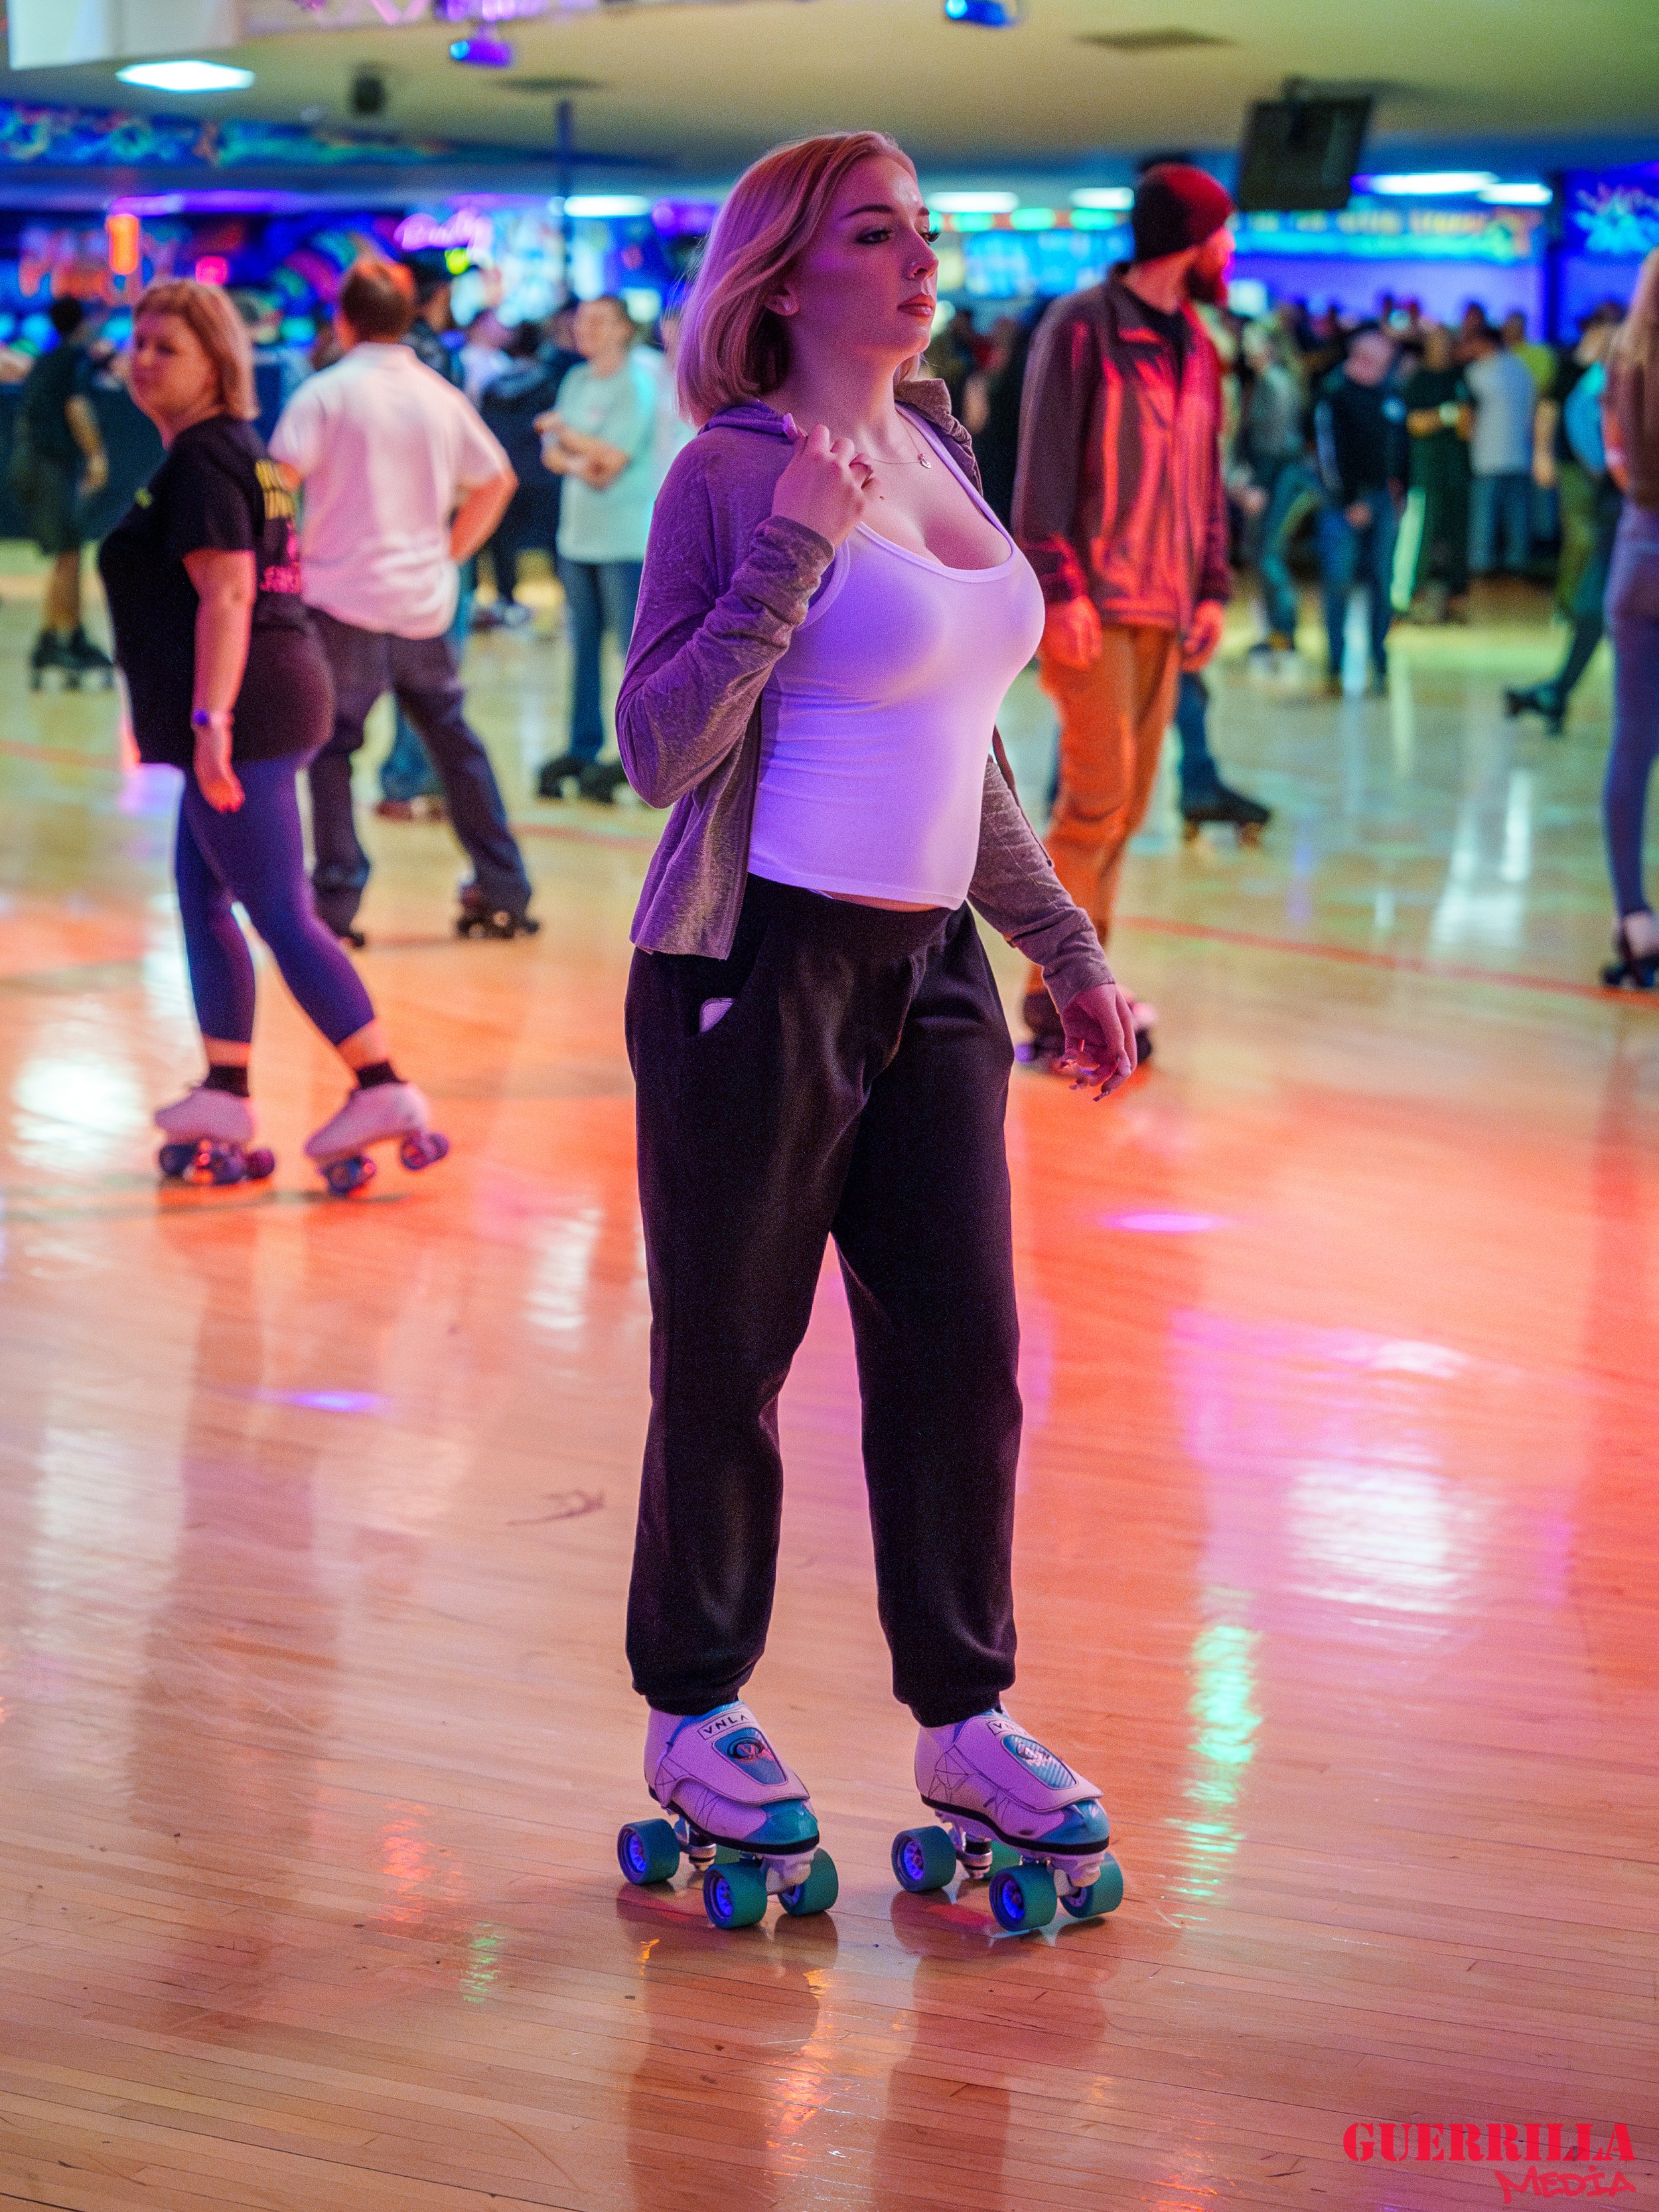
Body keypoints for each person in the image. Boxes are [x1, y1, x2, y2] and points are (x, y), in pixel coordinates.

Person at [614, 131, 1134, 1923]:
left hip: (932, 982)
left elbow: (967, 754)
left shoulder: (946, 450)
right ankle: (695, 1708)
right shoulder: (727, 471)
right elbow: (658, 753)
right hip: (750, 967)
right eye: (874, 235)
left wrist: (1064, 949)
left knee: (960, 1357)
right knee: (728, 1352)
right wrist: (784, 562)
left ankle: (961, 1711)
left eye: (925, 233)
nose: (920, 262)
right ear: (783, 277)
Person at [98, 279, 439, 1187]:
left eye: (167, 346)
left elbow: (230, 591)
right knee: (203, 897)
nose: (144, 360)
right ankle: (225, 1086)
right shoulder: (230, 453)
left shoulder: (207, 460)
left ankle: (382, 1083)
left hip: (246, 712)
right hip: (268, 697)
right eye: (138, 343)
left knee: (279, 911)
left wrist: (211, 723)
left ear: (216, 363)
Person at [1013, 161, 1234, 1065]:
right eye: (1221, 232)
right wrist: (1060, 587)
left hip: (1166, 602)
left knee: (1130, 806)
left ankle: (1088, 979)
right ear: (1188, 239)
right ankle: (1053, 993)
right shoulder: (1080, 329)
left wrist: (1212, 585)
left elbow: (1205, 480)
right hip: (1093, 602)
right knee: (1094, 797)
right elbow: (1042, 475)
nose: (1229, 250)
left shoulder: (1197, 343)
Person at [267, 258, 536, 942]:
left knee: (330, 750)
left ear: (342, 320)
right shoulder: (438, 395)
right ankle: (504, 888)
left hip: (340, 604)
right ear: (408, 318)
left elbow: (277, 484)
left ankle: (336, 904)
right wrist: (447, 553)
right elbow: (496, 481)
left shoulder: (325, 395)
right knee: (453, 744)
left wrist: (285, 561)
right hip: (422, 603)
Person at [534, 295, 658, 804]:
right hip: (577, 538)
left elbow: (614, 458)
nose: (588, 329)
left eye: (600, 321)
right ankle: (583, 746)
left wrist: (567, 437)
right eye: (583, 320)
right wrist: (583, 457)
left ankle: (644, 756)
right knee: (582, 649)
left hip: (624, 541)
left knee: (631, 655)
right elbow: (558, 457)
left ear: (625, 329)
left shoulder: (636, 385)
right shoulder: (576, 381)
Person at [1598, 250, 1659, 990]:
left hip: (1637, 549)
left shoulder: (1624, 354)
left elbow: (1613, 458)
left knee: (1632, 743)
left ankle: (1634, 917)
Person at [12, 298, 113, 686]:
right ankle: (62, 639)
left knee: (68, 552)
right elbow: (76, 407)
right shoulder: (75, 358)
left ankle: (62, 634)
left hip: (33, 464)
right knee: (69, 551)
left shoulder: (48, 358)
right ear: (85, 321)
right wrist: (97, 457)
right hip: (44, 466)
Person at [1313, 325, 1406, 696]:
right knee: (1338, 583)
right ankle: (1336, 664)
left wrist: (1401, 486)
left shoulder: (1390, 393)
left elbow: (1400, 443)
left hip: (1384, 501)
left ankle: (1379, 661)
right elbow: (1326, 455)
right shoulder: (1334, 394)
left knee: (1382, 584)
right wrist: (1349, 499)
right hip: (1344, 506)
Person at [479, 320, 567, 627]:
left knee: (505, 542)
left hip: (504, 474)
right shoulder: (550, 382)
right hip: (543, 473)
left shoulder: (492, 385)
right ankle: (569, 607)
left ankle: (506, 604)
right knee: (557, 540)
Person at [1239, 317, 1315, 656]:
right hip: (1278, 479)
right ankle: (1276, 631)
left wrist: (1260, 487)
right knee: (1266, 553)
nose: (1246, 349)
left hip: (1280, 481)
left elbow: (1275, 447)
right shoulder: (1273, 382)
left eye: (1252, 342)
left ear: (1269, 347)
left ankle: (1283, 631)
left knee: (1269, 553)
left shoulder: (1274, 385)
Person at [1394, 323, 1472, 621]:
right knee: (1418, 535)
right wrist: (1445, 415)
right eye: (1437, 343)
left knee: (1456, 535)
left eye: (1447, 342)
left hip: (1456, 469)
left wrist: (1455, 419)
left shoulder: (1458, 377)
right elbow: (1414, 424)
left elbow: (1468, 424)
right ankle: (1407, 597)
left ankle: (1452, 602)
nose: (1443, 348)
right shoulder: (1418, 380)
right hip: (1425, 472)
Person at [1465, 327, 1537, 576]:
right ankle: (1518, 563)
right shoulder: (1521, 370)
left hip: (1488, 455)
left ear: (1485, 344)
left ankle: (1480, 565)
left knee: (1484, 514)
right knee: (1517, 515)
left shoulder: (1478, 372)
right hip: (1520, 453)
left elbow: (1468, 414)